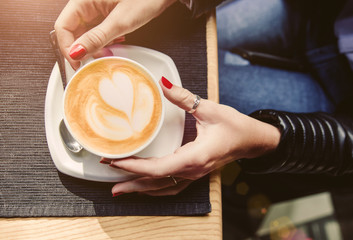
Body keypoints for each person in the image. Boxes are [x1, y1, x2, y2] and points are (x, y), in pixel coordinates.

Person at [55, 0, 353, 238]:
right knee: (198, 39)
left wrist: (265, 139)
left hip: (343, 103)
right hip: (316, 11)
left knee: (207, 79)